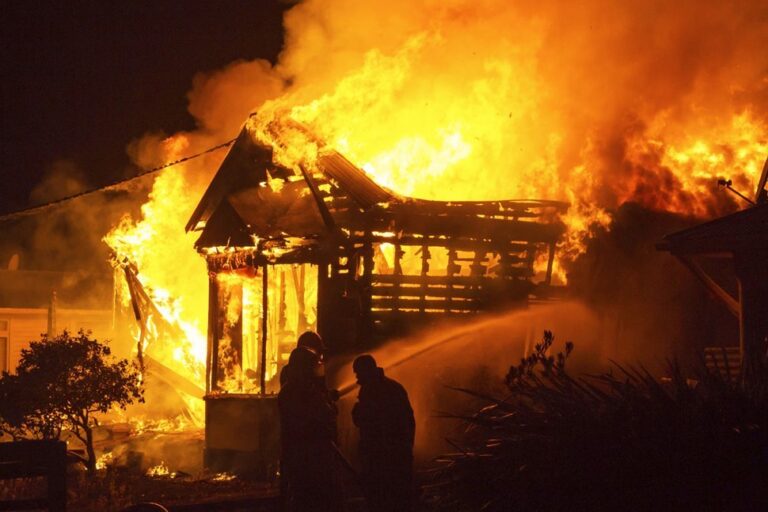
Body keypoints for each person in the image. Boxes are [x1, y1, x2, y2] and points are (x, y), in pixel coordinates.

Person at [278, 347, 343, 511]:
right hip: (306, 459)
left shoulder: (302, 390)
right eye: (312, 367)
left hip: (313, 458)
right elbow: (313, 418)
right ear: (304, 368)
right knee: (308, 500)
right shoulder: (293, 392)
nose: (315, 371)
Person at [352, 354, 415, 512]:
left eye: (358, 373)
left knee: (381, 500)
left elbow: (365, 421)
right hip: (398, 457)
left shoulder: (372, 391)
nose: (357, 377)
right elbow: (409, 422)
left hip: (381, 461)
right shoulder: (393, 387)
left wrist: (357, 410)